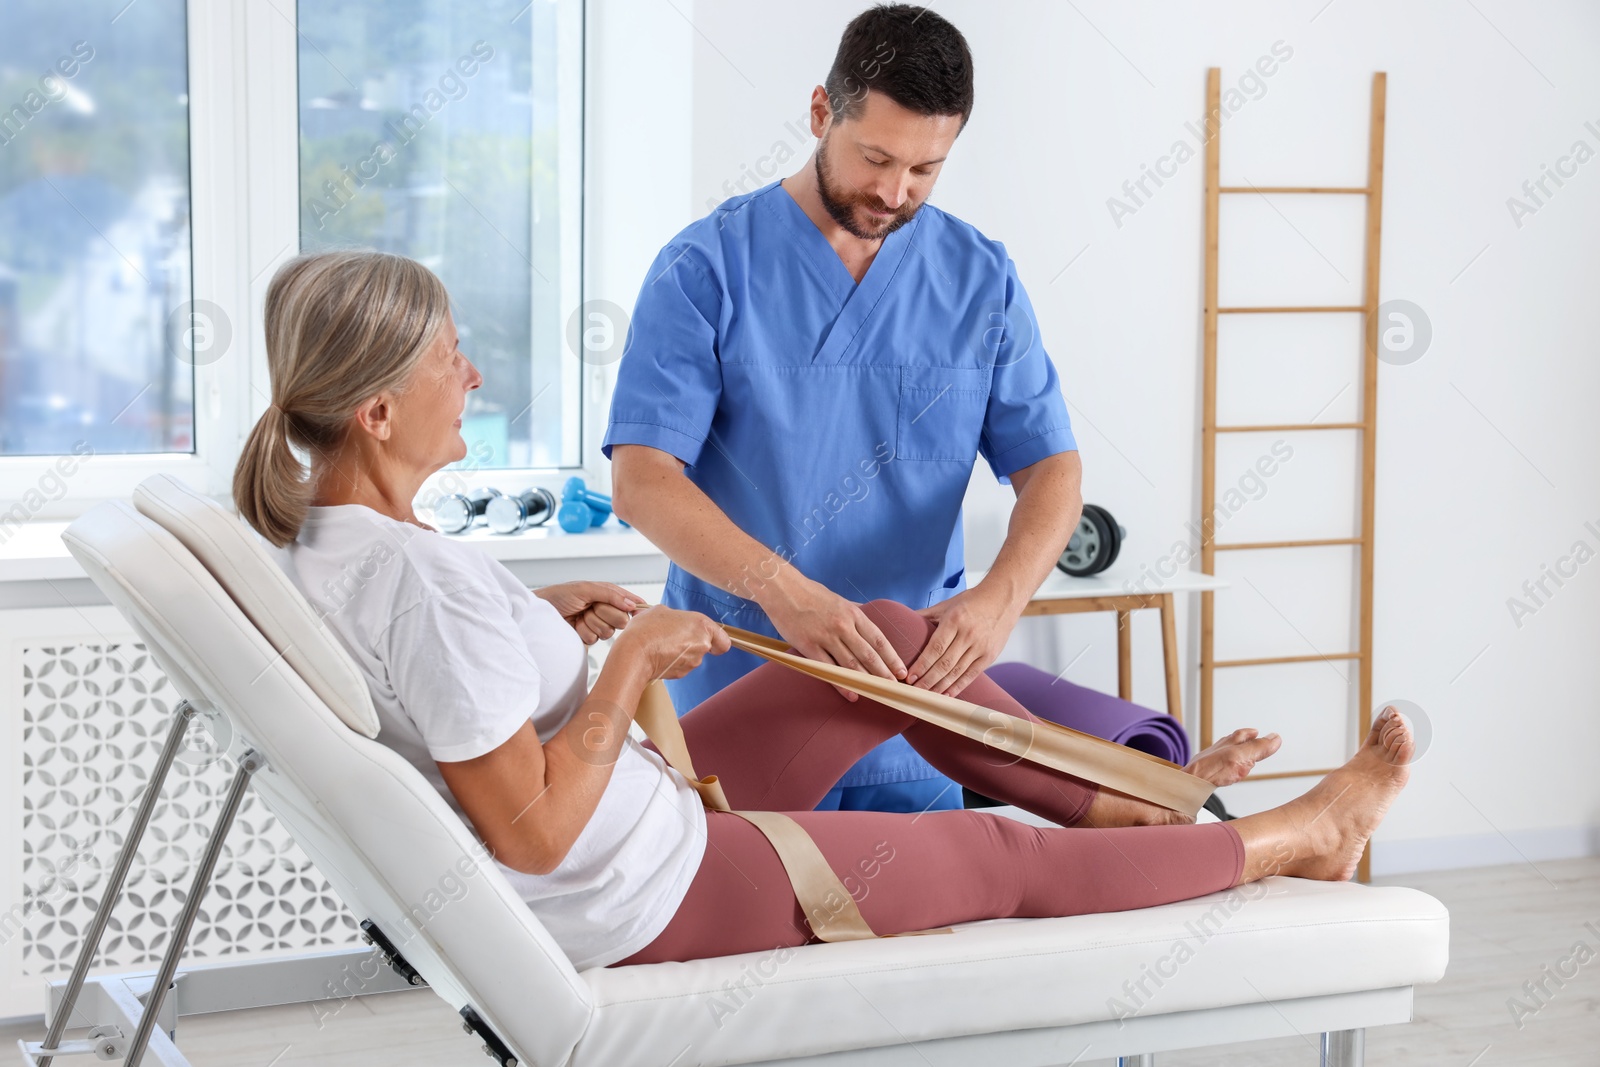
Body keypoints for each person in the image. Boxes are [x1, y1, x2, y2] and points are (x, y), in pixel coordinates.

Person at [233, 250, 1411, 970]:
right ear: (378, 412)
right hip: (646, 880)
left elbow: (449, 676)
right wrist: (632, 655)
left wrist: (539, 617)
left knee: (889, 636)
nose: (474, 376)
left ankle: (1152, 808)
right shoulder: (412, 581)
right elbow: (529, 834)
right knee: (997, 854)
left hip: (639, 814)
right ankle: (1278, 841)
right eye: (451, 357)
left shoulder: (352, 544)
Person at [604, 5, 1090, 814]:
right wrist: (784, 591)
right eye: (877, 158)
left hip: (913, 709)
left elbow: (1053, 467)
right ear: (822, 111)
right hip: (737, 691)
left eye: (926, 170)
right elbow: (644, 481)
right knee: (747, 922)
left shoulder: (979, 278)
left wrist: (1000, 600)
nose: (895, 193)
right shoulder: (706, 269)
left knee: (918, 933)